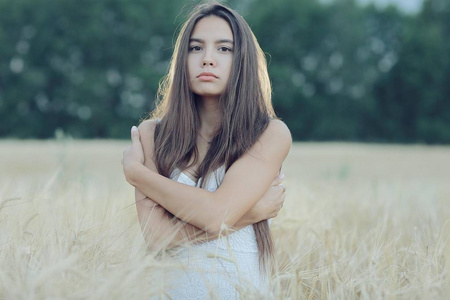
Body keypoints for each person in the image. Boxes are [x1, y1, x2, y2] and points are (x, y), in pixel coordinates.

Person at [122, 2, 291, 298]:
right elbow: (156, 238)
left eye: (224, 49)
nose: (208, 59)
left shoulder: (268, 134)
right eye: (196, 48)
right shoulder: (153, 134)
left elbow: (216, 214)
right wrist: (248, 216)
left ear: (242, 60)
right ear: (182, 58)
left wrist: (137, 174)